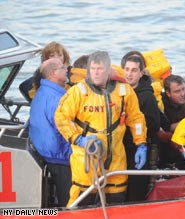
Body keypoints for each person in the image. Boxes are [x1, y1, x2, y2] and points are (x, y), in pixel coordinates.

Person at [54, 51, 147, 206]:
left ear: (108, 69)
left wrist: (141, 144)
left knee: (116, 201)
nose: (96, 72)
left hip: (116, 158)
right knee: (81, 202)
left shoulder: (124, 91)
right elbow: (61, 117)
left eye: (100, 68)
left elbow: (136, 119)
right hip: (87, 158)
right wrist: (79, 139)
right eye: (93, 68)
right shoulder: (79, 92)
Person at [29, 58, 72, 207]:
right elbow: (64, 129)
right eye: (63, 67)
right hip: (60, 157)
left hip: (48, 154)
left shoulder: (41, 92)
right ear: (53, 73)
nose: (67, 69)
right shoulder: (55, 99)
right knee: (69, 202)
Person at [121, 53, 161, 202]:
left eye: (134, 70)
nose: (129, 74)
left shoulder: (147, 96)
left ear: (141, 73)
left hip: (139, 148)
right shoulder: (119, 92)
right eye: (127, 69)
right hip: (121, 148)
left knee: (136, 191)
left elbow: (154, 124)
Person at [157, 74, 185, 170]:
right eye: (177, 91)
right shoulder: (160, 104)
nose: (182, 94)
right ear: (168, 93)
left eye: (183, 89)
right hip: (164, 145)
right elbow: (164, 129)